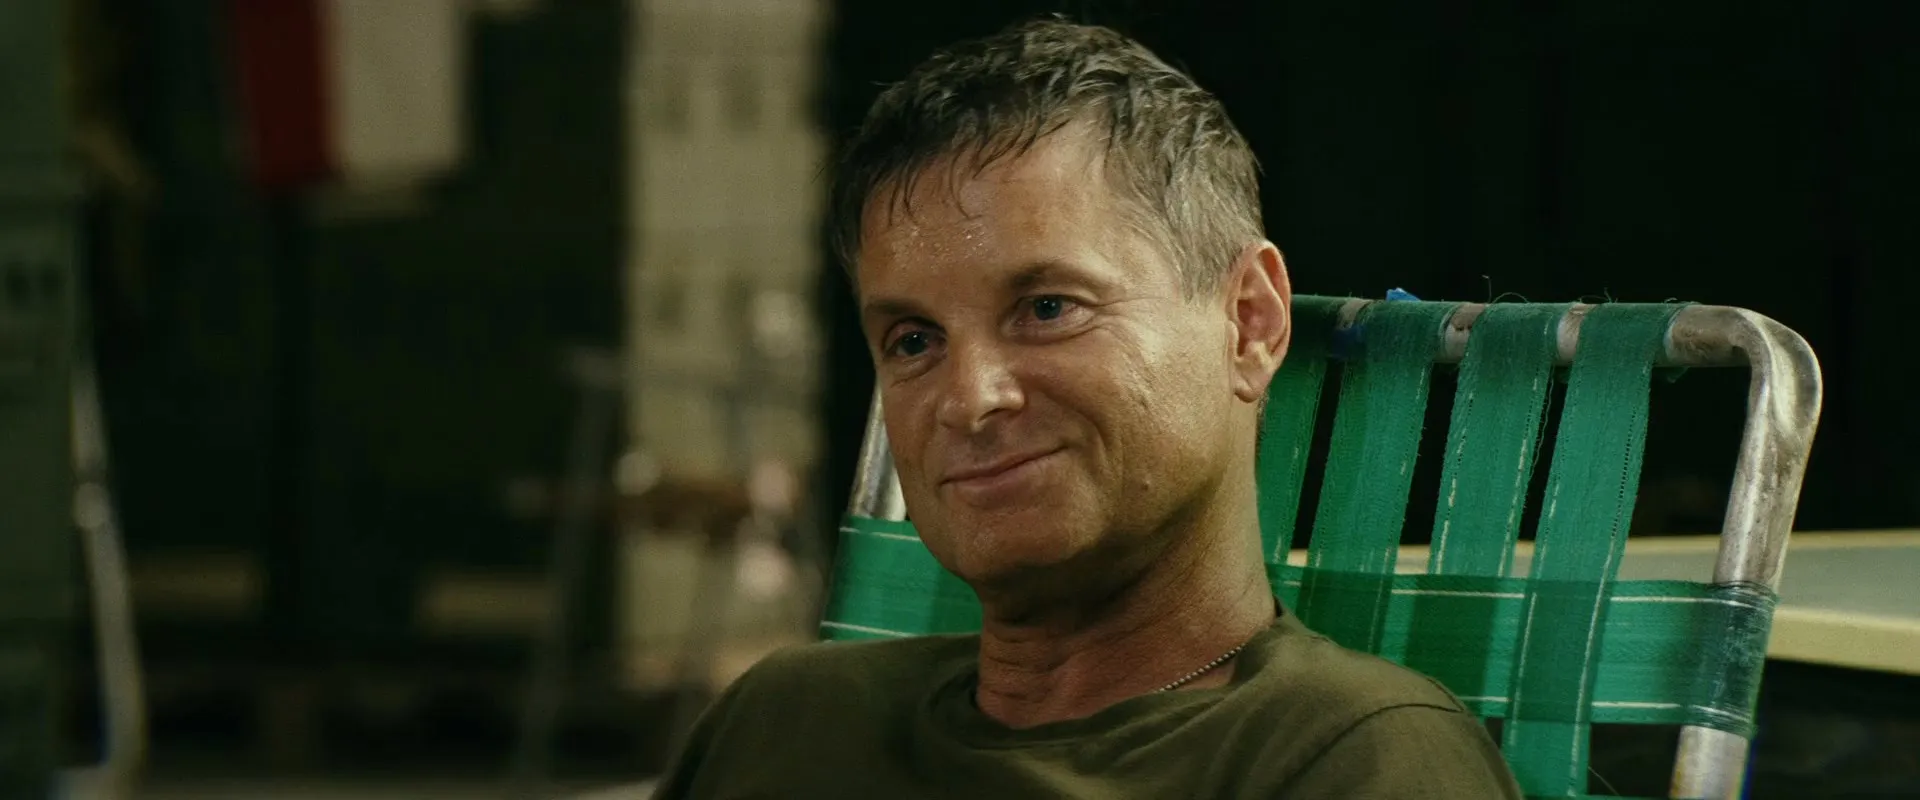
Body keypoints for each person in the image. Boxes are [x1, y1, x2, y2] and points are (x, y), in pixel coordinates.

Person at [654, 17, 1521, 799]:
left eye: (1047, 308)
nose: (971, 399)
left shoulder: (1351, 759)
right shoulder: (784, 716)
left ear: (1250, 323)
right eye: (914, 341)